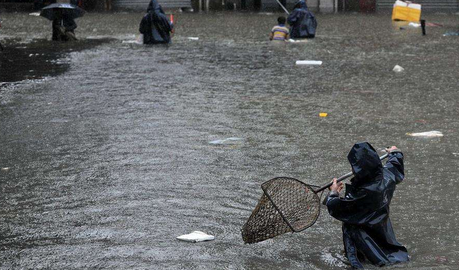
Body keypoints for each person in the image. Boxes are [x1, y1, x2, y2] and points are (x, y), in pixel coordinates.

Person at [325, 142, 409, 269]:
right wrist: (395, 152)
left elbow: (335, 207)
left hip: (361, 239)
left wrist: (333, 192)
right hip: (382, 228)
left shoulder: (361, 194)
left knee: (360, 260)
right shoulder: (387, 177)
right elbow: (395, 165)